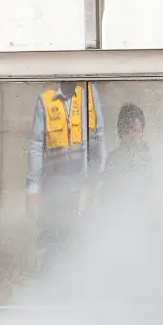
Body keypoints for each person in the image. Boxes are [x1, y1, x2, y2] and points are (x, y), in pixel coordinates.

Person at [27, 81, 105, 261]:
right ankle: (53, 275)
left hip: (84, 181)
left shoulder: (89, 93)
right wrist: (33, 189)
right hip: (56, 183)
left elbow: (99, 139)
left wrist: (98, 179)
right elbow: (37, 146)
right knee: (56, 238)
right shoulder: (46, 100)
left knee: (83, 236)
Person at [104, 102, 150, 183]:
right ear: (121, 132)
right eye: (128, 130)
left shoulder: (148, 157)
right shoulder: (113, 160)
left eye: (136, 131)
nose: (132, 135)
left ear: (142, 132)